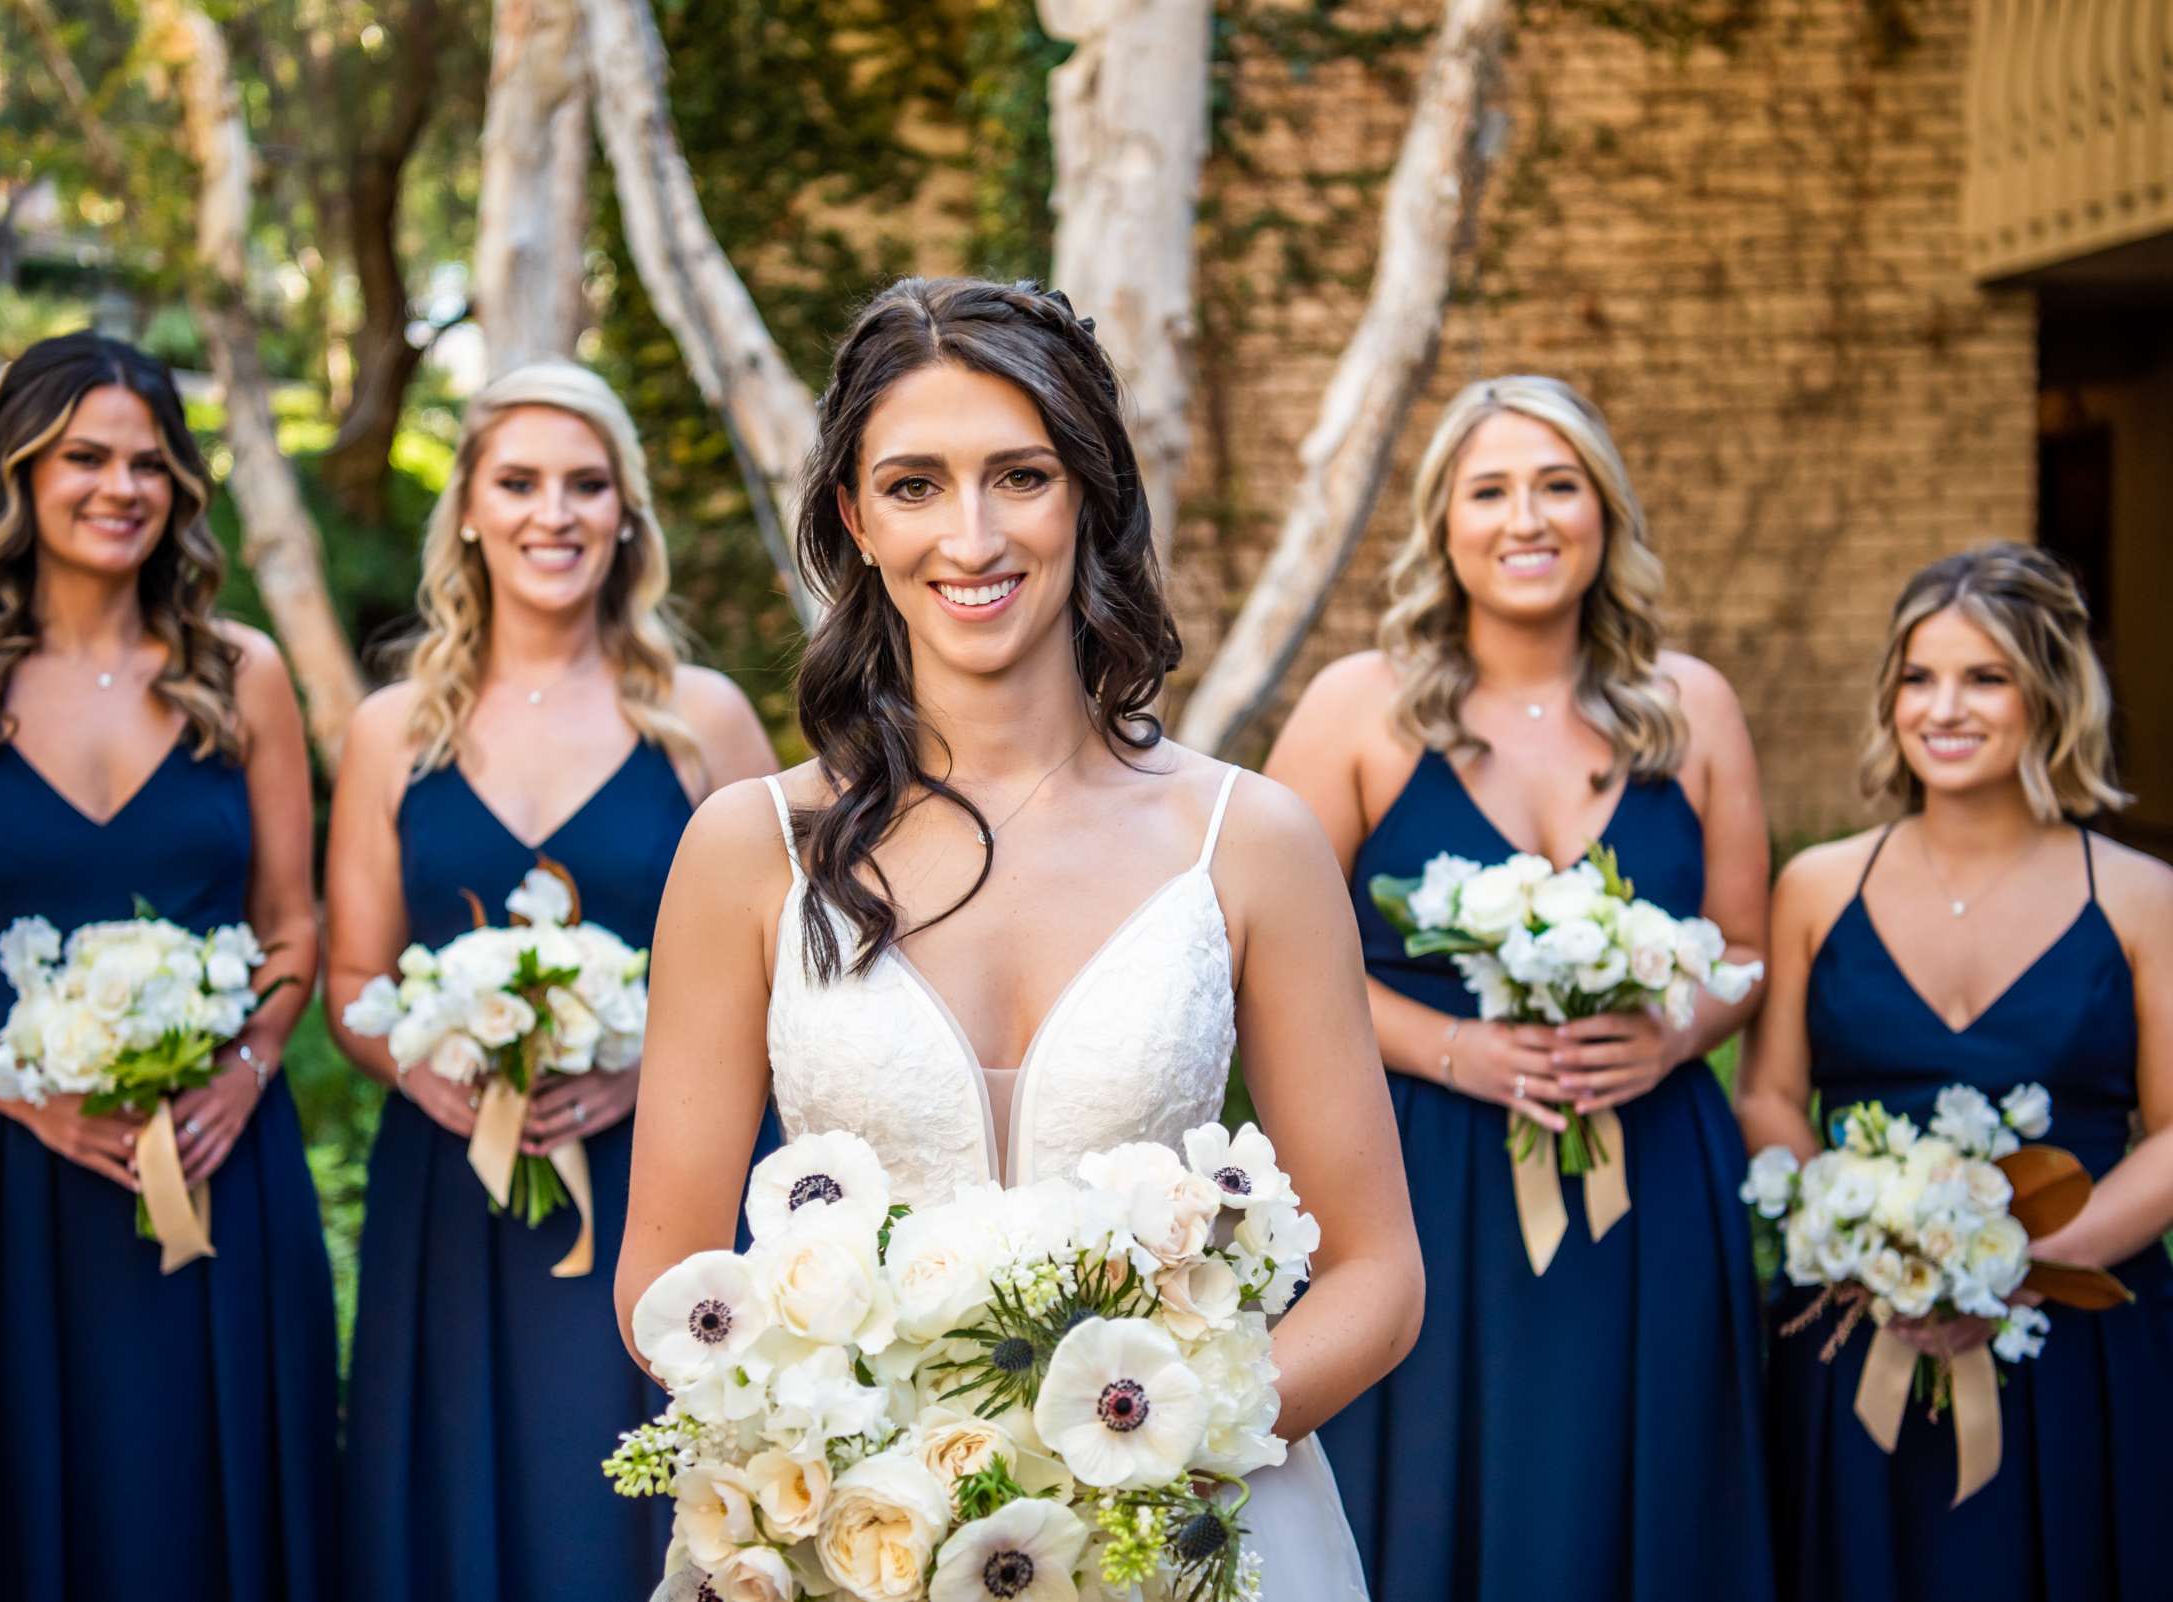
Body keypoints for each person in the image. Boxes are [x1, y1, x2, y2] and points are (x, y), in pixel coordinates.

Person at [612, 276, 1423, 1599]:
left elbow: (1379, 1272)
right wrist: (871, 1461)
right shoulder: (747, 849)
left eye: (1021, 475)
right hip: (854, 1549)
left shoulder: (1249, 840)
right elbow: (667, 1272)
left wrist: (1153, 1451)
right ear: (854, 520)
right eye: (917, 484)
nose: (972, 534)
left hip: (1199, 1539)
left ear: (1091, 494)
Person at [0, 331, 336, 1601]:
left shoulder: (241, 674)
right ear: (22, 474)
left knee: (209, 1514)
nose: (121, 488)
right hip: (3, 1179)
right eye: (85, 457)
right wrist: (21, 1089)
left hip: (220, 1165)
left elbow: (293, 924)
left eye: (149, 462)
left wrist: (248, 1070)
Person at [1266, 375, 1776, 1599]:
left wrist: (1669, 1039)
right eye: (1489, 490)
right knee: (1442, 1486)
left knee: (1643, 1483)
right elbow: (1260, 965)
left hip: (1651, 1171)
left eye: (1559, 486)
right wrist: (1456, 1050)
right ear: (1445, 522)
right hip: (1424, 1181)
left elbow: (1746, 949)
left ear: (1606, 512)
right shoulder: (1358, 712)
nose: (1526, 518)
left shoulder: (1692, 708)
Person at [324, 359, 778, 1601]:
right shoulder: (393, 730)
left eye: (587, 486)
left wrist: (647, 1072)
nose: (554, 513)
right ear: (467, 507)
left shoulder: (703, 720)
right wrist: (424, 1067)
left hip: (664, 1180)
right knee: (460, 1498)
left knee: (638, 1499)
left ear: (626, 515)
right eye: (519, 482)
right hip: (453, 1188)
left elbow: (790, 971)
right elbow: (351, 976)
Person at [1736, 542, 2173, 1601]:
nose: (1946, 707)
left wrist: (2013, 1269)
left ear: (2051, 693)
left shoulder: (2141, 896)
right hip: (1854, 1330)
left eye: (1987, 677)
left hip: (2079, 1350)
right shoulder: (1817, 887)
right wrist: (1867, 1253)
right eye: (1919, 679)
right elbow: (1768, 1093)